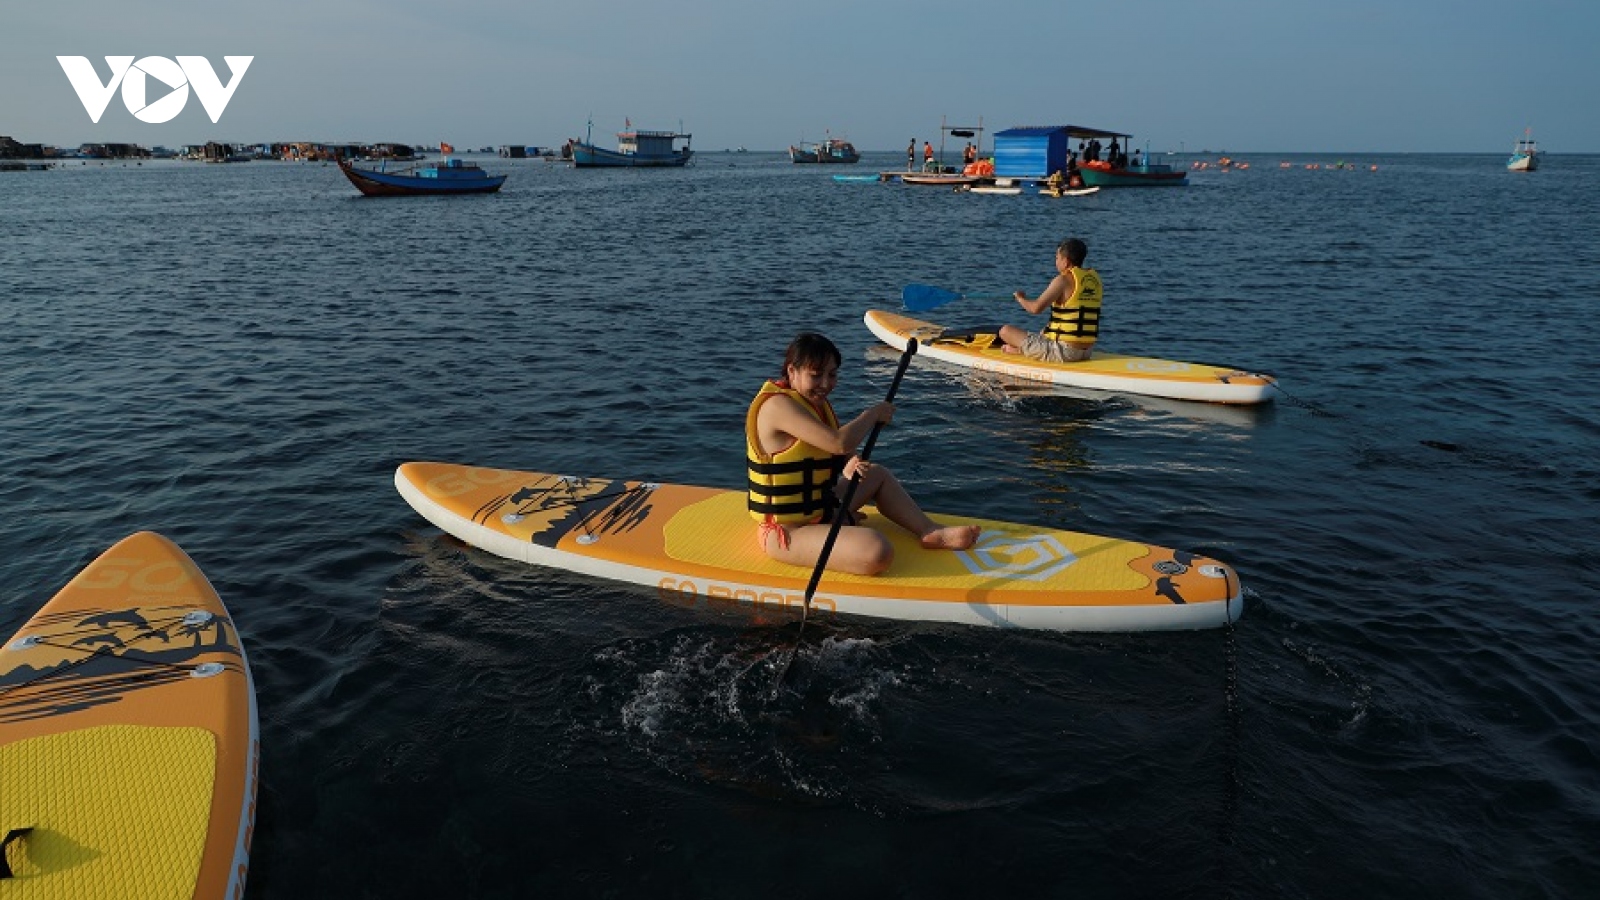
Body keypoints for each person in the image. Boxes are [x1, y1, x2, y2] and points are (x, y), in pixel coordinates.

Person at [746, 332, 981, 576]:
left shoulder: (813, 402)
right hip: (786, 533)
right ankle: (844, 523)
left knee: (876, 475)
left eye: (832, 375)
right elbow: (837, 442)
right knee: (877, 551)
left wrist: (850, 462)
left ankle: (931, 531)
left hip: (822, 509)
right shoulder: (776, 406)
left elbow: (838, 451)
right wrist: (872, 414)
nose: (826, 384)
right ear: (792, 371)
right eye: (816, 375)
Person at [997, 238, 1103, 363]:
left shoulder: (1062, 280)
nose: (1056, 262)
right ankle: (1022, 350)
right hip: (1086, 351)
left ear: (1066, 261)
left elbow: (1035, 308)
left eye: (1057, 258)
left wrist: (1020, 298)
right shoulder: (1094, 280)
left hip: (1064, 353)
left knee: (1005, 332)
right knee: (1045, 330)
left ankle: (1021, 351)